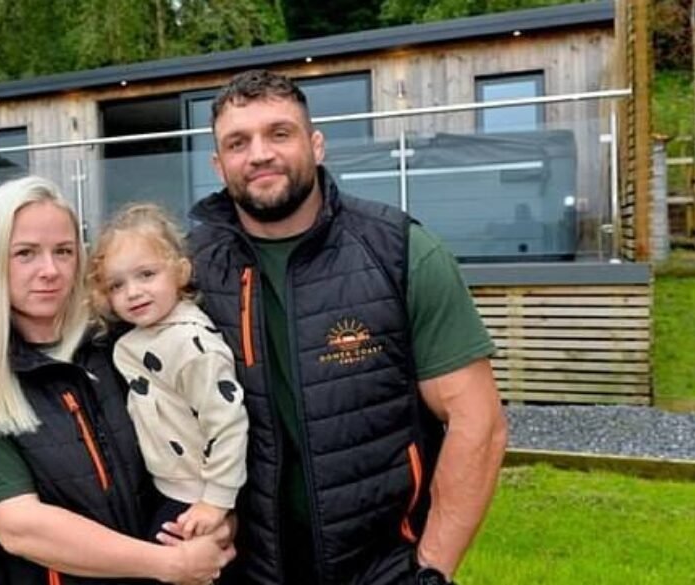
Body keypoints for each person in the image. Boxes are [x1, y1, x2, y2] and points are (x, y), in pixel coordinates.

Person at [184, 69, 508, 585]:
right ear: (218, 165)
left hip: (381, 569)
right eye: (238, 142)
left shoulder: (400, 253)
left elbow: (479, 424)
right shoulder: (186, 272)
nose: (260, 153)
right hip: (239, 570)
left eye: (280, 133)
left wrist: (430, 572)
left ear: (316, 145)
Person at [0, 176, 234, 585]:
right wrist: (168, 565)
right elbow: (20, 527)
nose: (49, 270)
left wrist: (220, 520)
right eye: (25, 253)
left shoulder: (120, 343)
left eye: (64, 251)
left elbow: (210, 422)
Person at [86, 203, 248, 540]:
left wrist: (215, 503)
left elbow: (228, 423)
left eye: (147, 274)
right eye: (116, 285)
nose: (133, 292)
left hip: (195, 497)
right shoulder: (141, 336)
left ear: (181, 272)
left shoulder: (191, 345)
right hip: (164, 487)